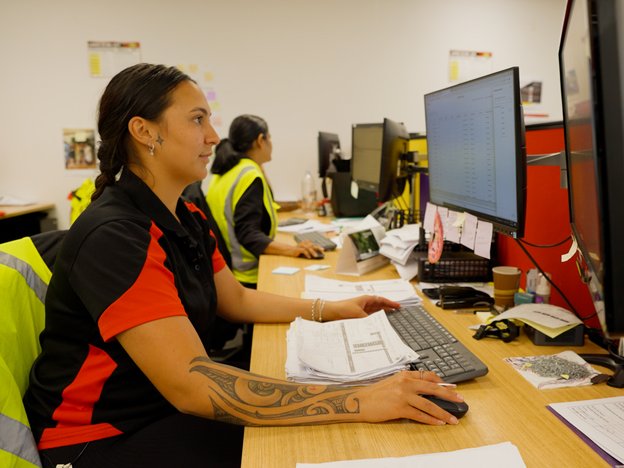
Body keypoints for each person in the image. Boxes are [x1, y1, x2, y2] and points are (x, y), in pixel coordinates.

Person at [23, 63, 465, 468]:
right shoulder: (117, 237)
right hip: (97, 440)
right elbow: (194, 386)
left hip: (159, 409)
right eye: (198, 120)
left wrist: (335, 310)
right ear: (145, 131)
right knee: (310, 448)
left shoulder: (184, 216)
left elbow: (233, 300)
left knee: (319, 436)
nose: (214, 137)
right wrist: (360, 399)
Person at [206, 114, 322, 288]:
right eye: (270, 138)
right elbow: (248, 234)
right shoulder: (249, 175)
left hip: (227, 270)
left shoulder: (228, 171)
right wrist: (292, 250)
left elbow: (259, 208)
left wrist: (297, 205)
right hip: (248, 275)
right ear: (261, 140)